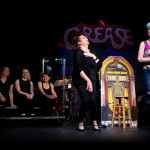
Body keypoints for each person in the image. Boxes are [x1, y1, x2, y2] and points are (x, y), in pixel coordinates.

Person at [72, 35, 102, 131]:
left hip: (92, 80)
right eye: (83, 37)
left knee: (93, 100)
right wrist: (87, 80)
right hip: (81, 80)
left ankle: (94, 122)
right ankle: (81, 122)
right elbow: (78, 69)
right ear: (79, 43)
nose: (86, 38)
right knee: (85, 100)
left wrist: (93, 56)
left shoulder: (92, 52)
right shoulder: (78, 52)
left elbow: (99, 65)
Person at [138, 22, 150, 131]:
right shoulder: (144, 43)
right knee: (149, 96)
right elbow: (140, 59)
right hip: (148, 70)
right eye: (149, 29)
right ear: (147, 32)